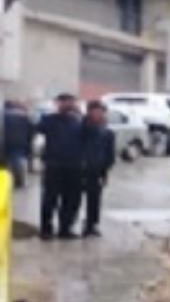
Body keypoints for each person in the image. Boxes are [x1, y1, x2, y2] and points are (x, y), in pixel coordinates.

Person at [34, 93, 85, 239]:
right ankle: (46, 230)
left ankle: (65, 228)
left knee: (72, 199)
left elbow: (91, 134)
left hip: (74, 166)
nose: (68, 105)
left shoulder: (79, 121)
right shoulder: (49, 120)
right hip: (54, 165)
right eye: (65, 102)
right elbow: (37, 128)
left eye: (71, 102)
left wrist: (80, 113)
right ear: (58, 103)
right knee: (50, 199)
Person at [78, 101, 116, 238]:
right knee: (74, 199)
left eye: (101, 111)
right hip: (81, 169)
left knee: (94, 199)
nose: (99, 114)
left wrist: (106, 170)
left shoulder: (108, 133)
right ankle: (68, 225)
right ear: (89, 112)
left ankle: (92, 224)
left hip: (98, 170)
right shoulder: (82, 128)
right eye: (95, 111)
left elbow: (110, 153)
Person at [3, 99, 32, 192]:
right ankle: (19, 181)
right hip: (19, 141)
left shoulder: (3, 116)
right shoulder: (24, 116)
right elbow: (31, 130)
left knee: (6, 162)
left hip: (5, 141)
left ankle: (6, 181)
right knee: (18, 161)